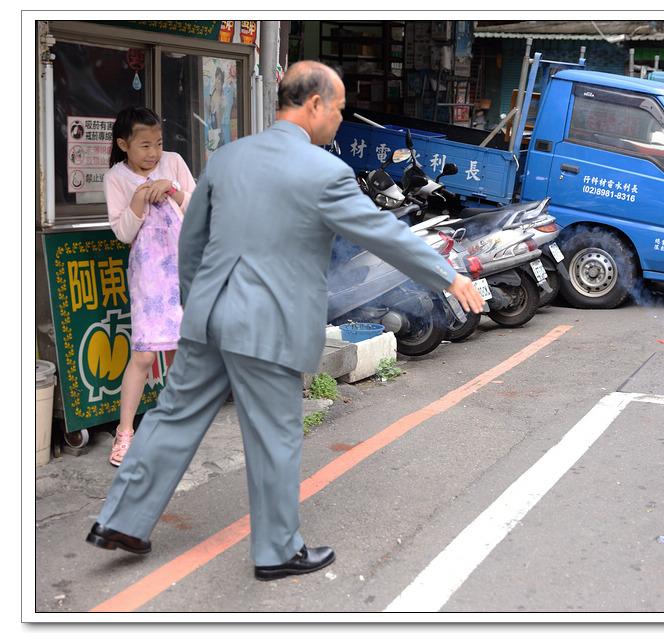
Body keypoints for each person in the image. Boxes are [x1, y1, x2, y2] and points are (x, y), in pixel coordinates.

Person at [86, 61, 486, 581]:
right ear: (314, 105)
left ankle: (122, 521)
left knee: (174, 416)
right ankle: (276, 550)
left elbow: (192, 240)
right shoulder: (324, 172)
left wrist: (195, 302)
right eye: (339, 109)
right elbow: (381, 234)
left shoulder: (227, 158)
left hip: (208, 313)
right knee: (275, 434)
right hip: (268, 324)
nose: (340, 120)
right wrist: (446, 274)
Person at [103, 106, 196, 466]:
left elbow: (200, 207)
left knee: (179, 353)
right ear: (123, 144)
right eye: (144, 145)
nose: (153, 153)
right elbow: (124, 233)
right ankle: (125, 432)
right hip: (148, 277)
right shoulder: (117, 178)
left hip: (182, 271)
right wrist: (139, 199)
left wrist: (171, 188)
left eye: (157, 143)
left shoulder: (173, 163)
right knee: (143, 354)